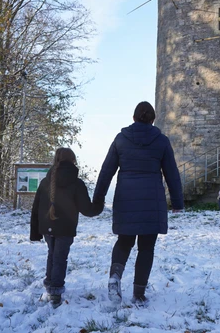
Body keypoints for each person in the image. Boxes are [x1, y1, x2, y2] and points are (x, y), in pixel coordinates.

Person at [92, 101, 184, 306]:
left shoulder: (121, 140)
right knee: (146, 247)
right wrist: (177, 202)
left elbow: (106, 171)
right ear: (153, 120)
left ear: (133, 118)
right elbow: (172, 174)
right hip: (152, 202)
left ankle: (115, 277)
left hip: (126, 199)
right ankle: (139, 294)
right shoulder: (161, 141)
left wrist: (98, 200)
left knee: (124, 242)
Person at [30, 147, 102, 308]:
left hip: (47, 226)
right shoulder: (76, 184)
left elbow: (36, 208)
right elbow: (87, 209)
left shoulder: (45, 182)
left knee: (52, 254)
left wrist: (35, 232)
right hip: (66, 227)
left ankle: (50, 284)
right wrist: (99, 204)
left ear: (56, 160)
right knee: (60, 257)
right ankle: (55, 292)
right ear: (73, 161)